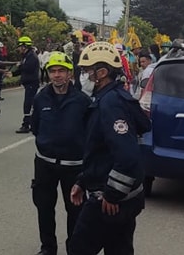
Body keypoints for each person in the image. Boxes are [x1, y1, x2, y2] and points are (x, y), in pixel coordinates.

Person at [68, 42, 149, 255]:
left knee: (79, 249)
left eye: (87, 71)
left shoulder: (111, 104)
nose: (83, 76)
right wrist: (83, 180)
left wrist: (112, 194)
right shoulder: (109, 98)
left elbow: (127, 156)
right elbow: (102, 152)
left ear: (102, 73)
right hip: (120, 195)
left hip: (110, 200)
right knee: (118, 249)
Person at [31, 52, 90, 255]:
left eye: (61, 71)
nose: (56, 75)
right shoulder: (40, 98)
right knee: (44, 208)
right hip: (45, 164)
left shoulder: (83, 101)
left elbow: (90, 133)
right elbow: (35, 127)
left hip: (74, 167)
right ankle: (48, 247)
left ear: (69, 73)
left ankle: (74, 248)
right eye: (52, 71)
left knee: (75, 210)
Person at [13, 36, 41, 134]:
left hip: (31, 83)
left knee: (28, 104)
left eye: (20, 46)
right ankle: (31, 123)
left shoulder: (31, 56)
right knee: (29, 104)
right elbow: (22, 69)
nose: (18, 48)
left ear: (24, 46)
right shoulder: (26, 56)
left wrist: (20, 66)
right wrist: (12, 74)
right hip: (29, 83)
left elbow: (28, 68)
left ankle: (26, 125)